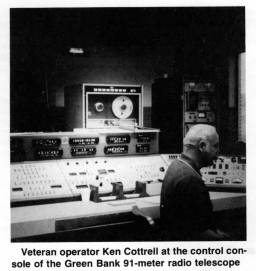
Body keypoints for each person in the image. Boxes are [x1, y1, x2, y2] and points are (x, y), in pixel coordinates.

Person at [160, 124, 229, 241]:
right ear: (202, 146)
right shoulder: (190, 180)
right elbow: (198, 232)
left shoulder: (176, 165)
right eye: (215, 146)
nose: (218, 151)